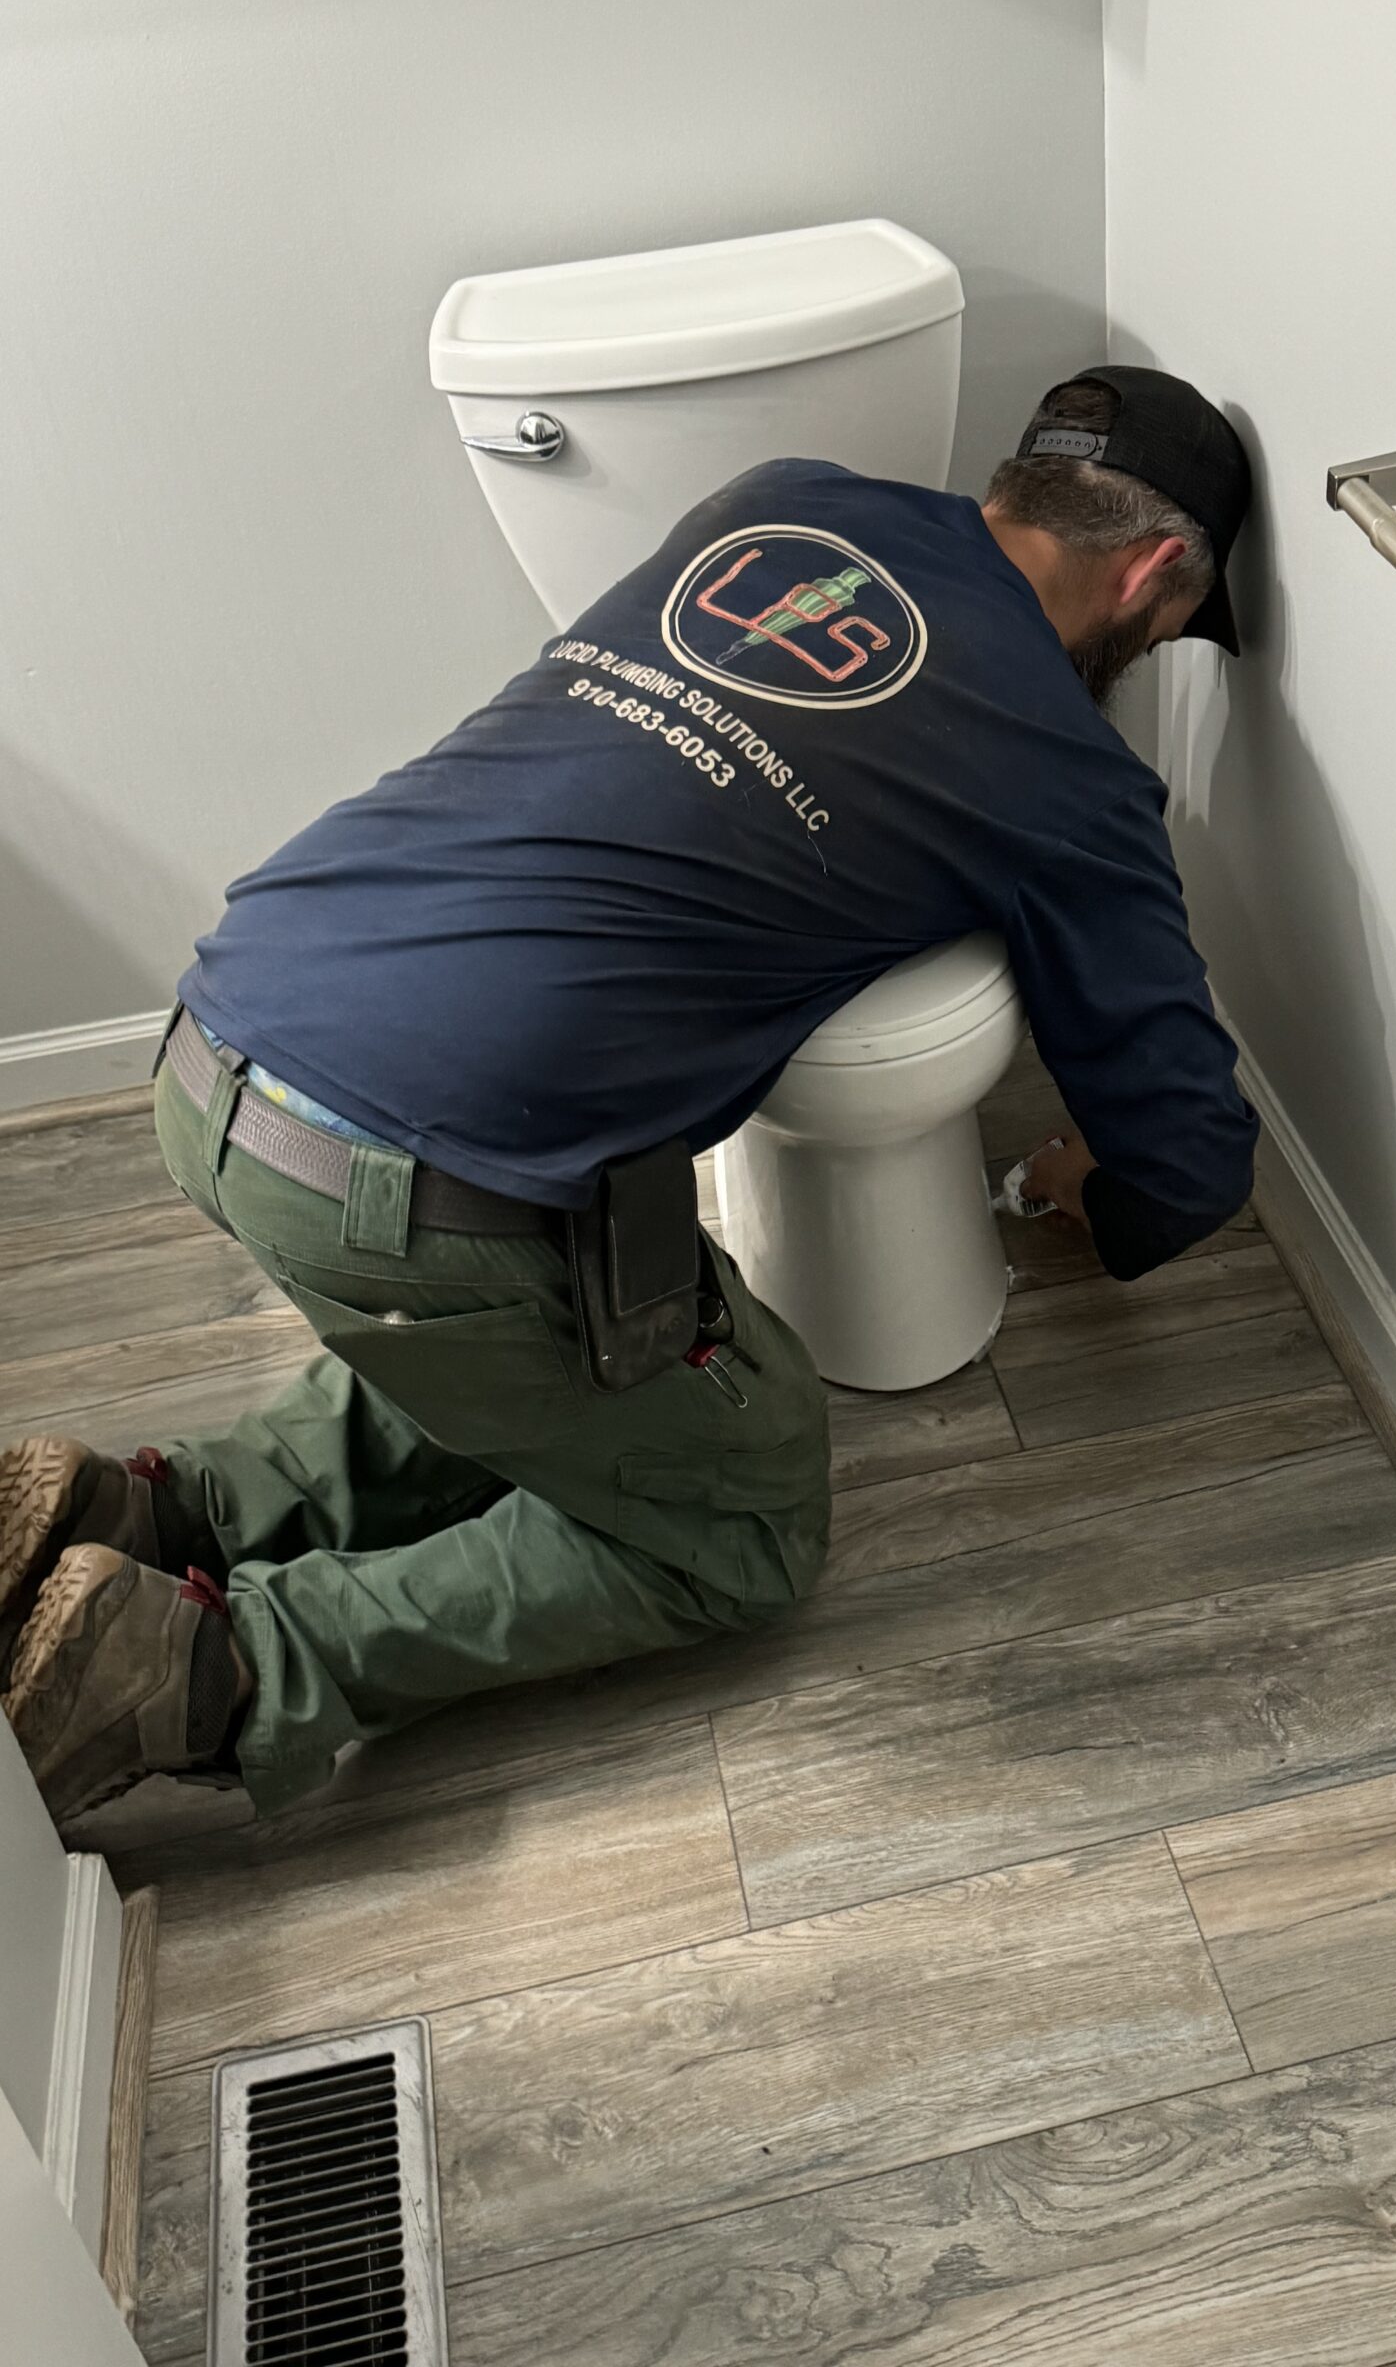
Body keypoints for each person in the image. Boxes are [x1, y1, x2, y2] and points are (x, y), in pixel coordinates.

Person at [0, 366, 1259, 1827]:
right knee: (744, 1515)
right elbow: (1188, 1165)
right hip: (398, 1188)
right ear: (1158, 569)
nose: (1158, 647)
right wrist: (1065, 1178)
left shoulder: (782, 504)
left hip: (232, 1019)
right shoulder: (1066, 777)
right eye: (1175, 627)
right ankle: (207, 1669)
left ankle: (146, 1513)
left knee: (547, 1353)